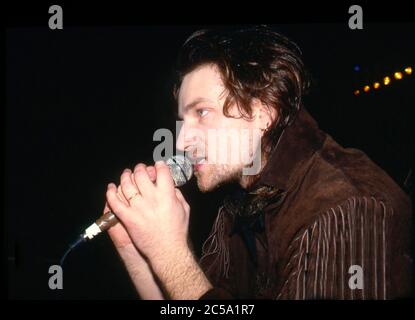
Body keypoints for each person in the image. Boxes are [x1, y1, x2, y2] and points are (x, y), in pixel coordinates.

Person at [104, 26, 412, 299]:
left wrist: (170, 253)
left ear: (263, 113)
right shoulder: (238, 205)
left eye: (202, 113)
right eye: (183, 120)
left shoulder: (347, 207)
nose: (182, 141)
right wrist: (136, 250)